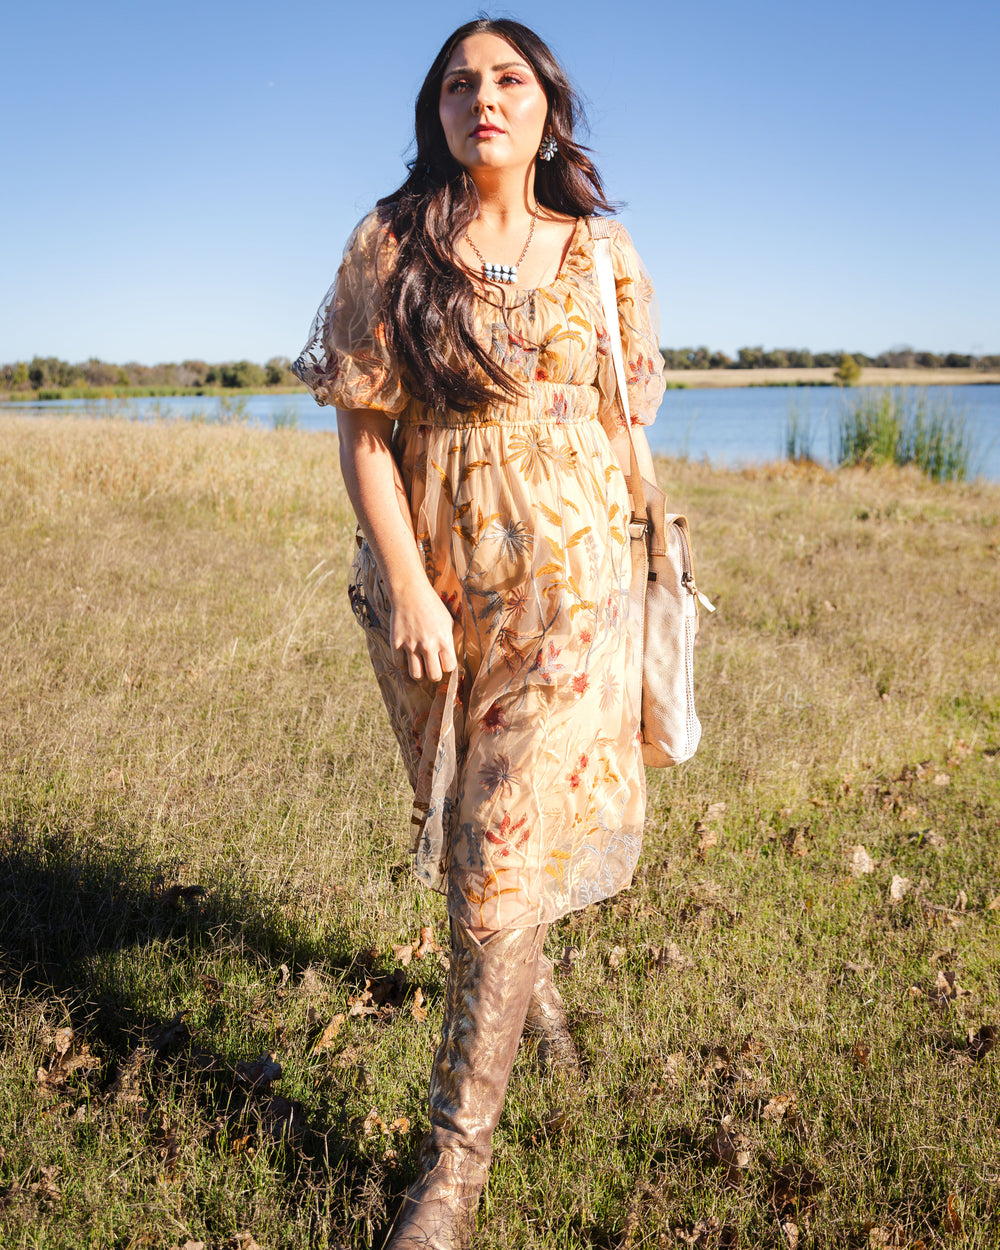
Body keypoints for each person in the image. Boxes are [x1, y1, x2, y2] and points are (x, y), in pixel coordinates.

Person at [293, 18, 665, 1248]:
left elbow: (622, 428)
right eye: (458, 83)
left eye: (507, 79)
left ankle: (449, 1174)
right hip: (430, 587)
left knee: (495, 839)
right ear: (436, 113)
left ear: (545, 109)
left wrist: (651, 552)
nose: (482, 97)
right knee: (469, 819)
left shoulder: (600, 252)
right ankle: (532, 989)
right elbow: (359, 432)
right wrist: (404, 584)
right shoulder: (389, 242)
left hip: (572, 590)